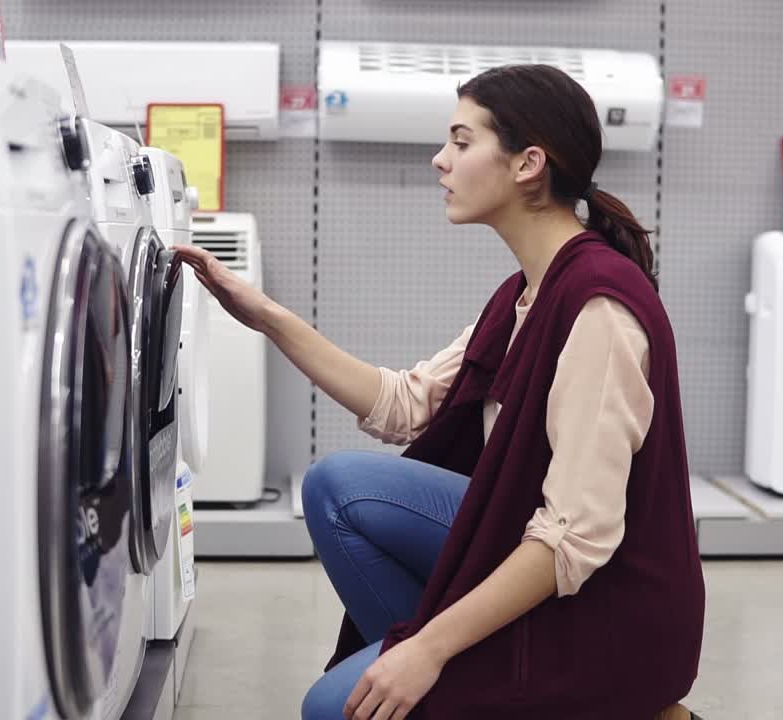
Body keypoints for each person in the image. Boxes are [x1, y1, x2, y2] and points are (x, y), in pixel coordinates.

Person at [174, 64, 705, 720]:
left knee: (328, 709)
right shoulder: (525, 295)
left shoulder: (598, 308)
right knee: (336, 487)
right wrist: (266, 317)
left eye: (460, 141)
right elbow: (405, 404)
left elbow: (574, 540)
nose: (439, 160)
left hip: (606, 619)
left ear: (528, 164)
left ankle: (506, 688)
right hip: (539, 554)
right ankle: (440, 687)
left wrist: (427, 648)